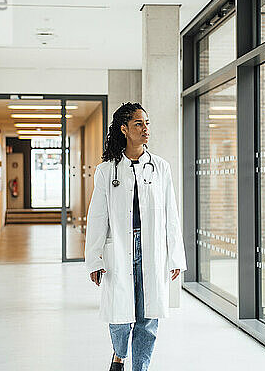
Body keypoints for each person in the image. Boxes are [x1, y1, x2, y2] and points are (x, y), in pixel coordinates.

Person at [84, 102, 187, 371]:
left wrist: (175, 255)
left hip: (151, 248)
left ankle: (140, 366)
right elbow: (97, 217)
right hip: (119, 247)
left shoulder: (160, 167)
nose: (145, 129)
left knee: (148, 315)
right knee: (119, 314)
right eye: (139, 124)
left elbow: (171, 215)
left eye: (147, 124)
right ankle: (119, 354)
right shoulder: (107, 170)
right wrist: (94, 260)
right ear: (124, 129)